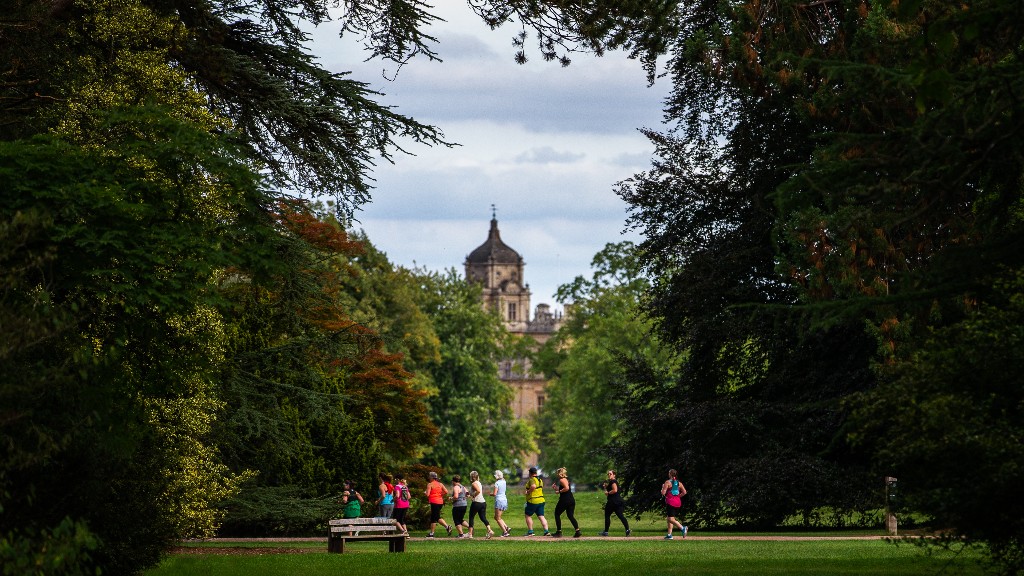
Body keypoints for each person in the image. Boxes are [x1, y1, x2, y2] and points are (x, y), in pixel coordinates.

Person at [550, 467, 581, 538]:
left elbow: (566, 488)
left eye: (557, 473)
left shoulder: (561, 480)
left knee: (557, 513)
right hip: (571, 500)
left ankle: (559, 532)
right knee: (570, 515)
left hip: (565, 500)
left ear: (560, 473)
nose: (557, 475)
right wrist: (556, 489)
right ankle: (577, 531)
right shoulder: (566, 480)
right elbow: (564, 489)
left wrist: (559, 491)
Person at [599, 469, 631, 536]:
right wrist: (605, 487)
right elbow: (607, 493)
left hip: (612, 502)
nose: (609, 475)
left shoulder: (613, 481)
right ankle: (627, 529)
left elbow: (615, 490)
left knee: (607, 515)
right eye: (608, 474)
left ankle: (606, 532)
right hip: (618, 501)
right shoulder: (612, 482)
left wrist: (608, 492)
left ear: (614, 475)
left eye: (610, 474)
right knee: (621, 516)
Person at [523, 466, 550, 536]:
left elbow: (533, 486)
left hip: (533, 500)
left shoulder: (532, 479)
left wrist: (528, 492)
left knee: (528, 515)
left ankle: (530, 531)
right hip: (541, 500)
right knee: (541, 516)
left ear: (530, 473)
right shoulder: (540, 480)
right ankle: (546, 531)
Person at [661, 468, 688, 539]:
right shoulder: (679, 483)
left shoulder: (667, 482)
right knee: (670, 518)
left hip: (670, 502)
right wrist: (678, 496)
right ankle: (669, 535)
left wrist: (662, 487)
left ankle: (683, 528)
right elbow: (684, 492)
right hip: (677, 502)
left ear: (670, 474)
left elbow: (663, 493)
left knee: (670, 519)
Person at [467, 471, 494, 539]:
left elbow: (478, 491)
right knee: (483, 517)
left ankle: (470, 534)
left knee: (471, 517)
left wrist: (473, 496)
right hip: (483, 503)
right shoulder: (479, 483)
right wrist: (470, 494)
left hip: (476, 502)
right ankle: (489, 530)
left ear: (472, 477)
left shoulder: (474, 483)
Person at [424, 471, 452, 538]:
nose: (428, 478)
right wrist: (440, 495)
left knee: (436, 517)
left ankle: (447, 527)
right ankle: (431, 533)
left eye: (429, 476)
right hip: (440, 502)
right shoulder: (440, 484)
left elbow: (427, 494)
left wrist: (425, 492)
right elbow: (446, 491)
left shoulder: (430, 484)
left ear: (432, 477)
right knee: (433, 518)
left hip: (434, 502)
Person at [492, 469, 511, 537]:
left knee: (497, 518)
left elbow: (494, 493)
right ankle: (506, 527)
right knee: (497, 517)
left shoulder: (497, 483)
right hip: (504, 500)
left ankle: (505, 532)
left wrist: (490, 494)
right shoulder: (504, 481)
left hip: (499, 500)